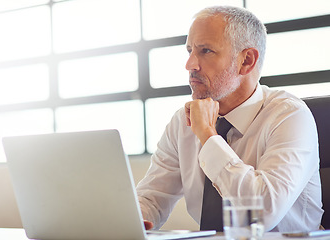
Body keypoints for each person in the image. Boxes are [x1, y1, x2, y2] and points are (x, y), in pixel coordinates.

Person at [136, 5, 323, 232]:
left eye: (205, 51)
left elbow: (262, 213)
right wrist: (134, 216)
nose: (190, 65)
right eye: (189, 51)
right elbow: (152, 198)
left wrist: (208, 135)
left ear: (246, 61)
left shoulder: (290, 116)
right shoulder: (181, 123)